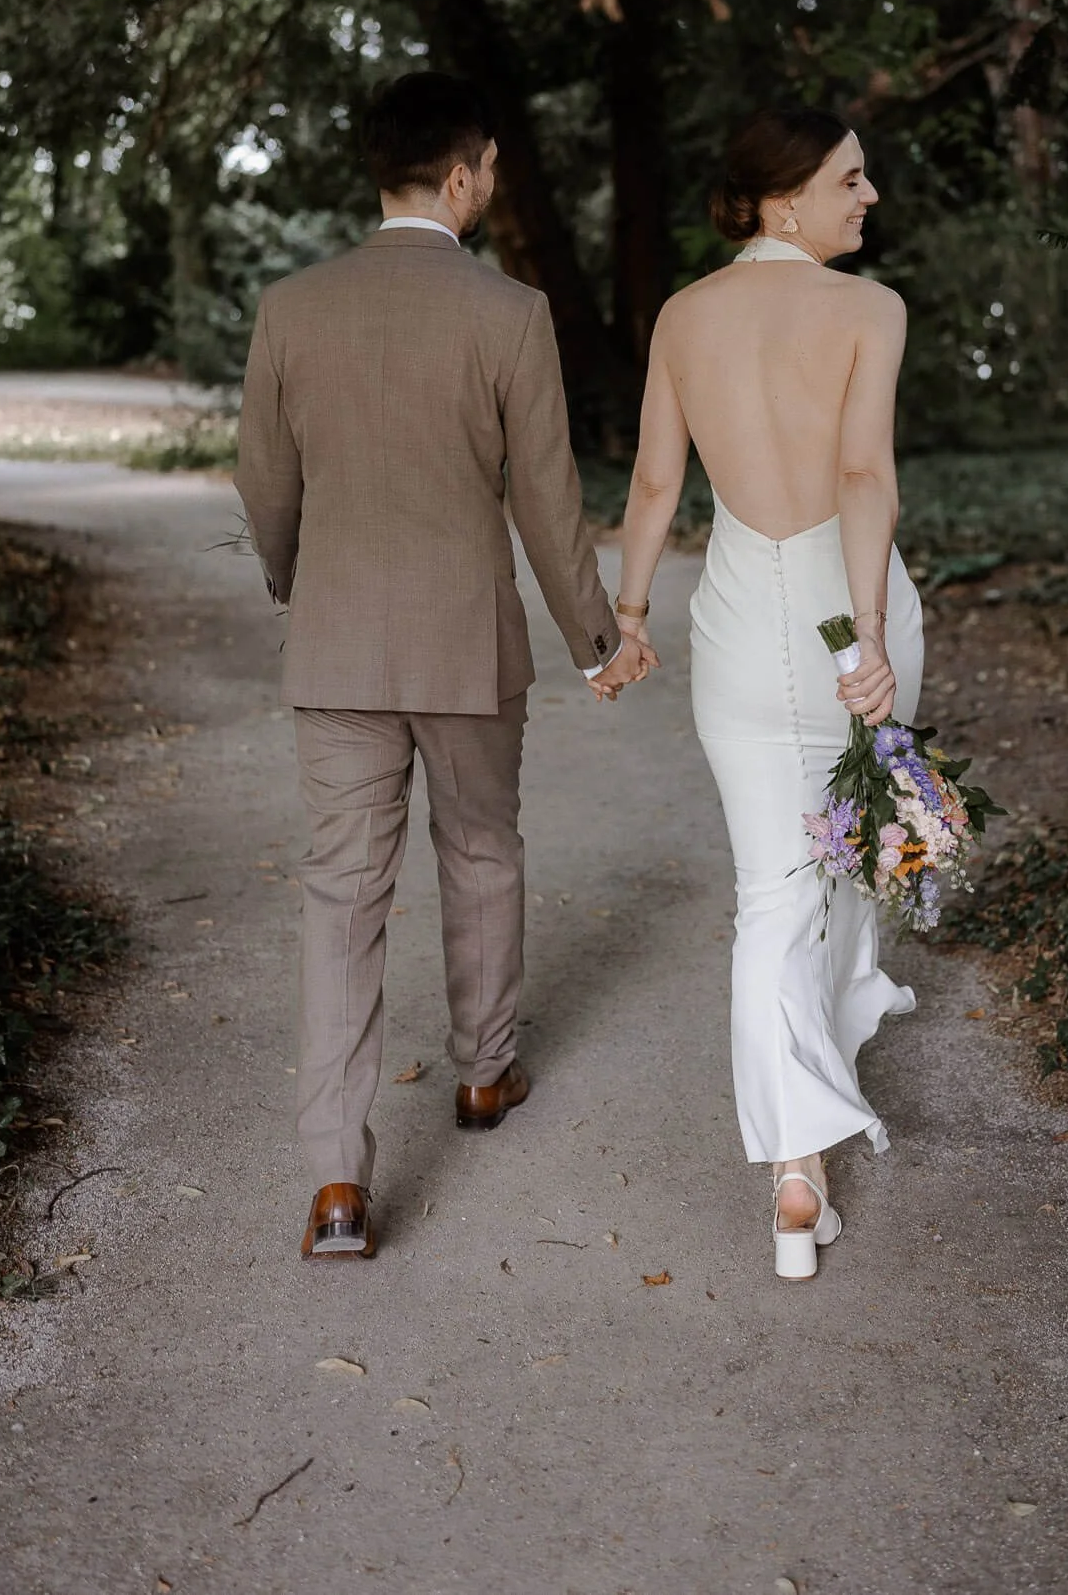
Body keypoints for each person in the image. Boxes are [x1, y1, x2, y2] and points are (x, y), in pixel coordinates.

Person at [235, 71, 648, 1262]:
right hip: (470, 646)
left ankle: (334, 1185)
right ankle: (483, 1076)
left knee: (340, 897)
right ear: (463, 176)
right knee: (481, 852)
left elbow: (266, 488)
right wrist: (598, 639)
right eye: (490, 173)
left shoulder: (291, 307)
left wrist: (296, 586)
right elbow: (549, 502)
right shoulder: (508, 313)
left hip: (341, 647)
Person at [613, 104, 923, 1279]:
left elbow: (653, 482)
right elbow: (860, 475)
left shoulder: (685, 316)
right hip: (847, 605)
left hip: (742, 628)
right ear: (783, 198)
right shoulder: (869, 312)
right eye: (851, 178)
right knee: (844, 854)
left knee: (770, 891)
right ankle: (822, 1082)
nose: (870, 195)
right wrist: (871, 642)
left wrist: (630, 619)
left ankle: (797, 1175)